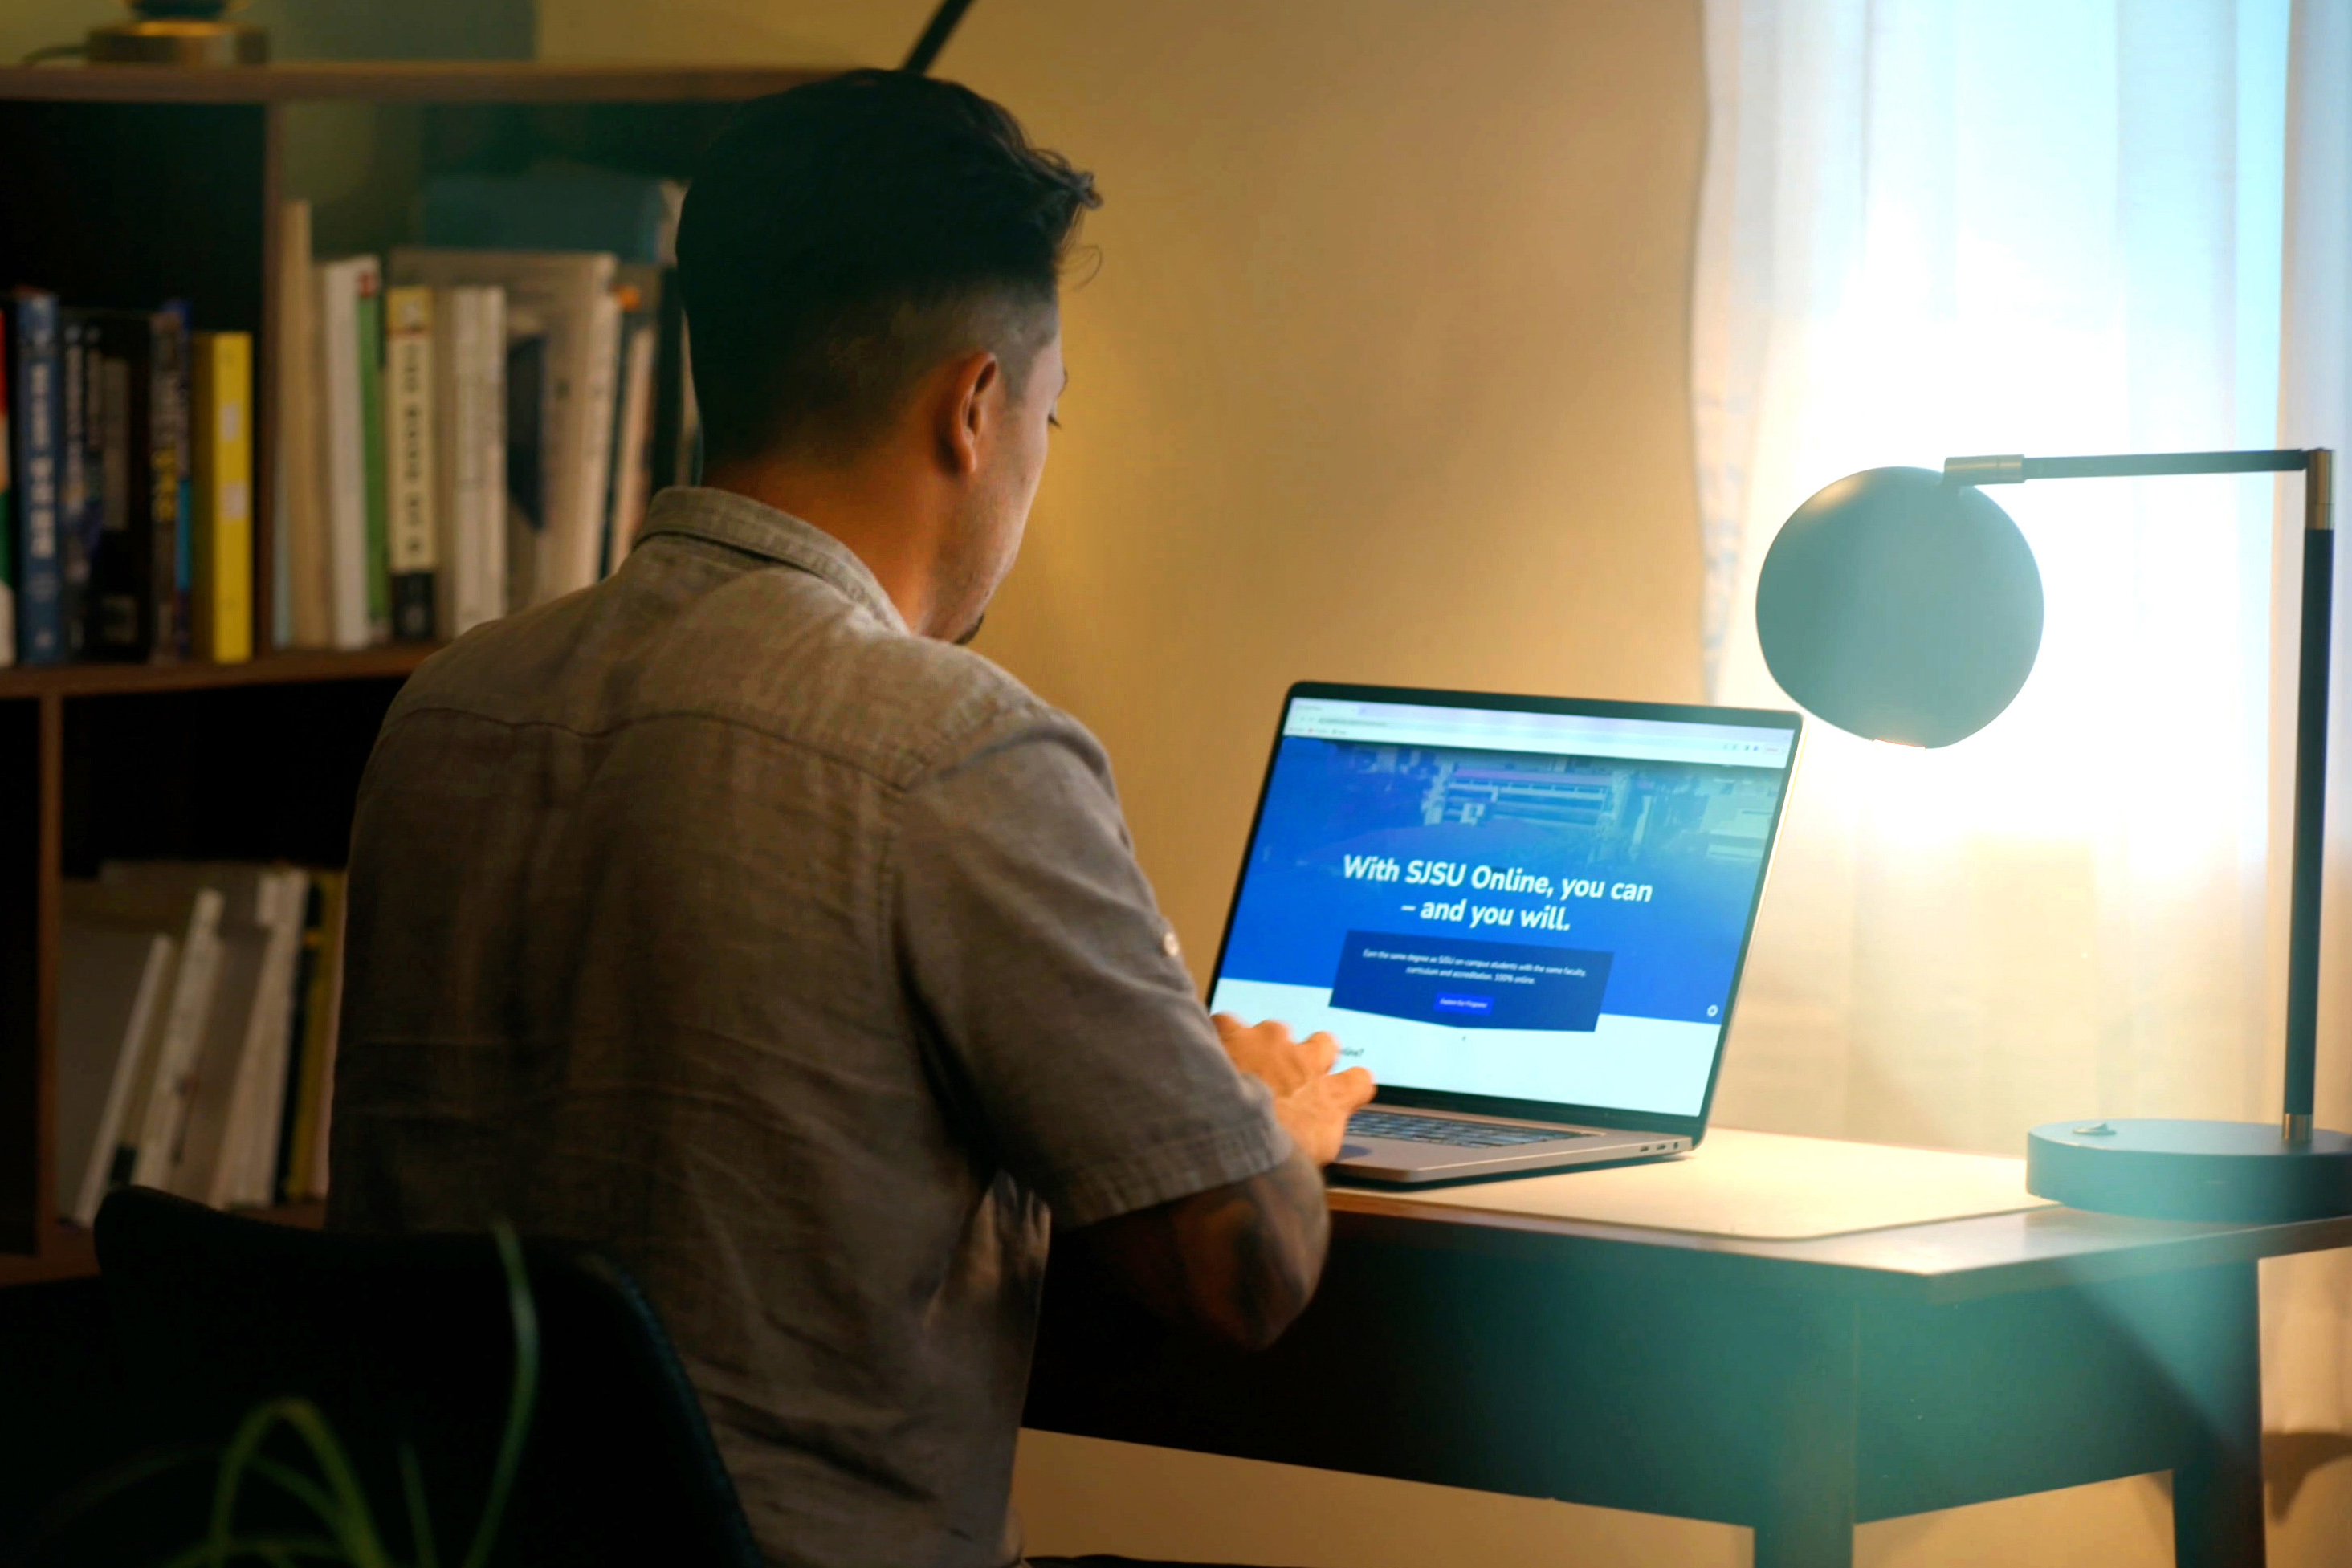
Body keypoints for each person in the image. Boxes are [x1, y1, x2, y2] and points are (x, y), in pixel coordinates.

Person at [326, 68, 1375, 1568]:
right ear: (974, 407)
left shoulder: (446, 712)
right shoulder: (952, 749)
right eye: (1049, 416)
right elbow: (1244, 1267)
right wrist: (1274, 1115)